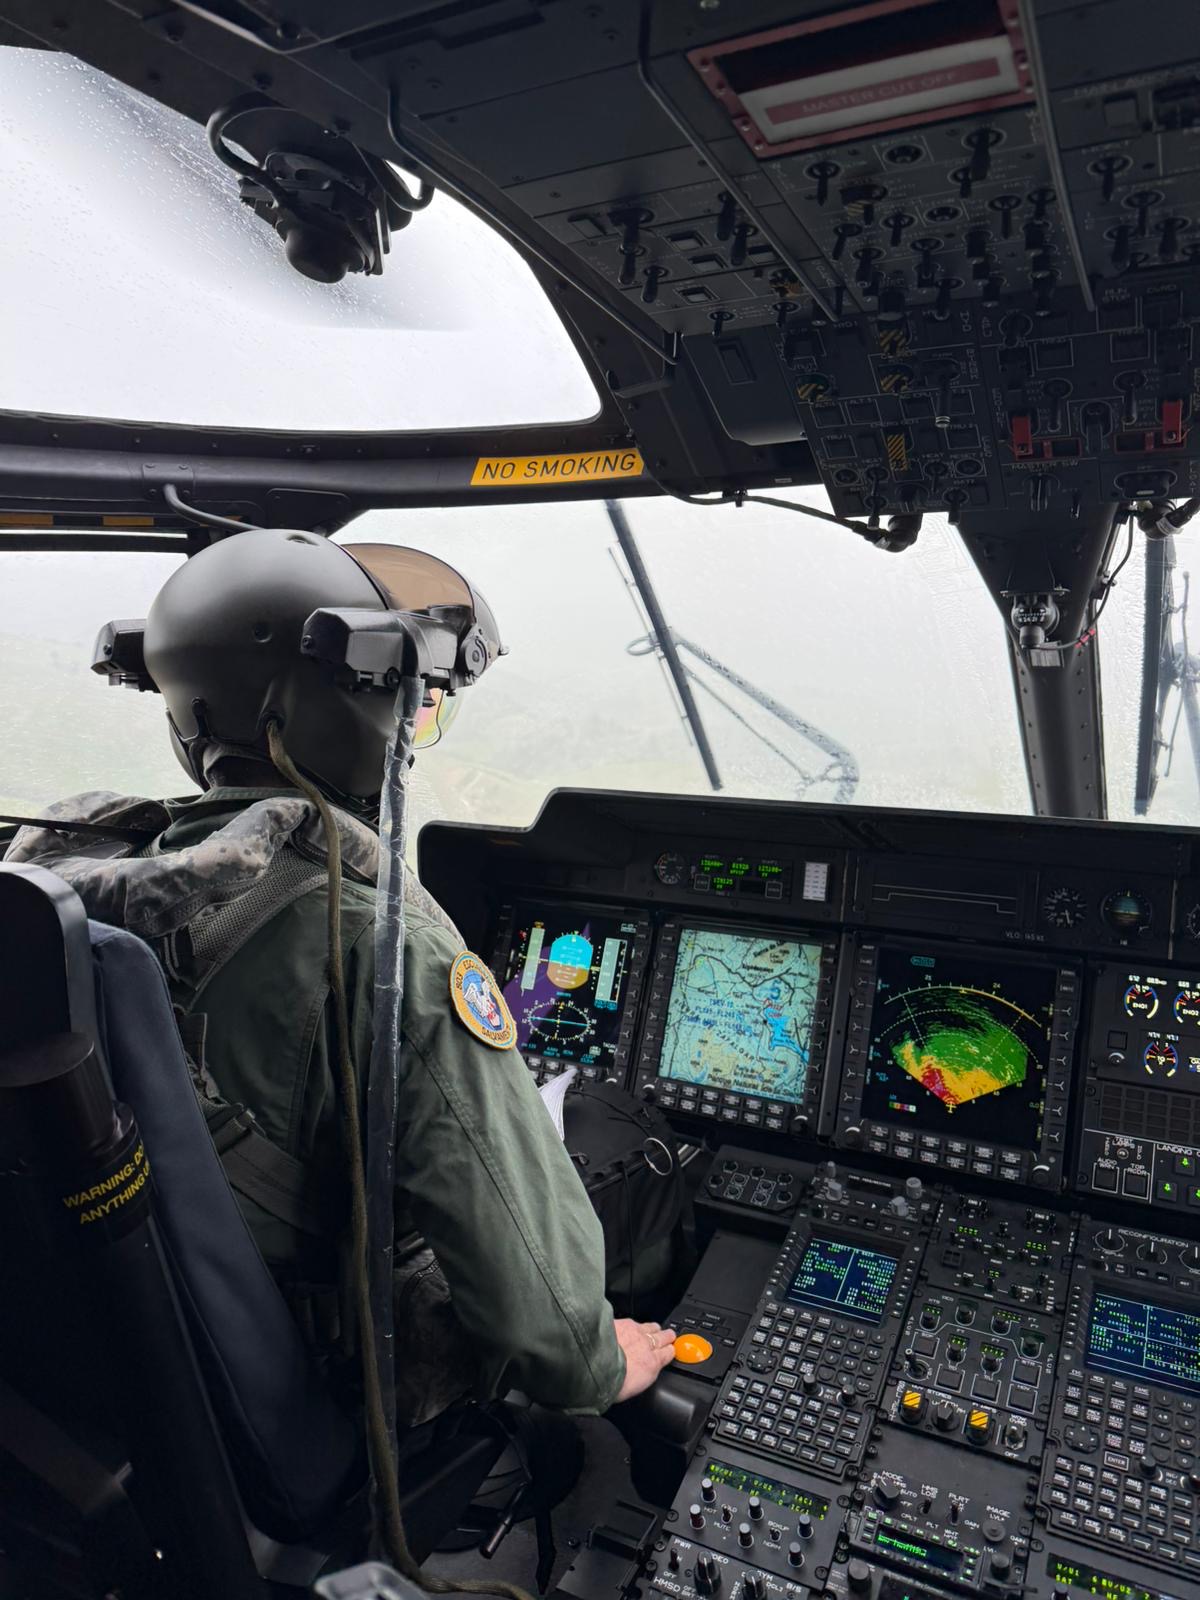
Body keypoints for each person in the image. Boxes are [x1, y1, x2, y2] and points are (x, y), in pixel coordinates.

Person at [5, 528, 676, 1428]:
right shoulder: (378, 940)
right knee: (635, 1165)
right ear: (339, 708)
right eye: (413, 706)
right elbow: (539, 1321)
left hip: (96, 1356)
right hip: (297, 1378)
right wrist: (594, 1360)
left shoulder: (82, 894)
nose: (411, 731)